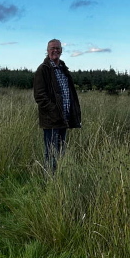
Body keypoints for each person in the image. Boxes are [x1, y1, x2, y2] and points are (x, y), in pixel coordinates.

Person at [33, 38, 82, 171]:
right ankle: (49, 182)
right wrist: (54, 112)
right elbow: (39, 96)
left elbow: (69, 93)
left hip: (64, 118)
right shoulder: (43, 69)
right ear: (47, 51)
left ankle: (59, 180)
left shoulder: (63, 69)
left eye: (58, 48)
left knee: (60, 151)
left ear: (61, 50)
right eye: (52, 48)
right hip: (52, 120)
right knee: (51, 153)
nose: (55, 50)